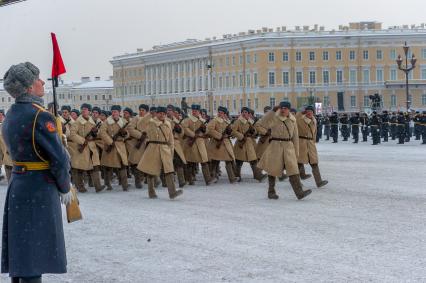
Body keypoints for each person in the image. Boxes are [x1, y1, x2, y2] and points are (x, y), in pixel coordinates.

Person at [2, 62, 72, 283]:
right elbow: (59, 160)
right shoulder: (40, 116)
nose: (43, 82)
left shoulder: (12, 113)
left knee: (23, 252)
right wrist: (65, 186)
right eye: (38, 78)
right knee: (35, 254)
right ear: (29, 88)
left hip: (19, 184)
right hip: (39, 187)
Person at [257, 101, 312, 200]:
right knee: (272, 170)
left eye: (285, 108)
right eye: (281, 108)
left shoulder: (293, 119)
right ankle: (271, 192)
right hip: (275, 146)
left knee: (293, 170)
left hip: (288, 147)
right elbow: (262, 123)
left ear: (289, 110)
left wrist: (296, 152)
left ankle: (299, 193)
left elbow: (295, 137)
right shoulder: (274, 117)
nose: (283, 110)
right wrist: (272, 111)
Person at [138, 106, 183, 199]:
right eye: (160, 113)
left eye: (164, 114)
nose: (162, 115)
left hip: (165, 148)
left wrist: (171, 150)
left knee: (169, 170)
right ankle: (151, 192)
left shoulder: (168, 123)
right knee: (151, 171)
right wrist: (149, 114)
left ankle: (172, 192)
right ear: (157, 113)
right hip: (153, 148)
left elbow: (171, 139)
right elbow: (140, 125)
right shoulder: (151, 122)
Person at [68, 103, 104, 193]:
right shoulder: (77, 122)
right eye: (82, 109)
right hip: (82, 147)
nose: (84, 110)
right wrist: (82, 141)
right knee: (79, 168)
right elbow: (72, 134)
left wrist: (96, 132)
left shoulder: (92, 122)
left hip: (91, 146)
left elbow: (98, 134)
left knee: (95, 166)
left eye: (86, 109)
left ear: (89, 111)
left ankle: (98, 186)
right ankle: (80, 187)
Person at [99, 105, 130, 191]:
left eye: (115, 111)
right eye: (112, 111)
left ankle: (125, 184)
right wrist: (110, 142)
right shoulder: (106, 122)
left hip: (120, 145)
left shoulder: (123, 122)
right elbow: (102, 133)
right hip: (110, 145)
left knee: (123, 165)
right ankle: (107, 184)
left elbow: (128, 134)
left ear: (119, 112)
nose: (114, 113)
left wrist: (124, 133)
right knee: (108, 166)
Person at [296, 106, 328, 188]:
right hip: (302, 143)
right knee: (299, 163)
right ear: (305, 112)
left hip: (310, 144)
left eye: (311, 111)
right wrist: (301, 112)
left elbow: (314, 132)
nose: (309, 112)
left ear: (313, 112)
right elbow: (296, 117)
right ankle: (296, 182)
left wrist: (313, 142)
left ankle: (319, 182)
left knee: (314, 163)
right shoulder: (300, 119)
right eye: (307, 111)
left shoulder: (314, 120)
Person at [232, 107, 265, 182]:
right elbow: (233, 131)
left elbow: (255, 131)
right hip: (241, 143)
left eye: (246, 112)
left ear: (248, 114)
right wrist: (241, 136)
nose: (244, 114)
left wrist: (254, 131)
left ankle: (257, 175)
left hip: (250, 143)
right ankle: (237, 176)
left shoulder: (250, 122)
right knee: (239, 161)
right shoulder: (238, 121)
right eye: (243, 112)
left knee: (253, 160)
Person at [181, 104, 211, 185]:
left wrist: (205, 130)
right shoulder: (187, 120)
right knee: (190, 162)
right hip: (191, 143)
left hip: (200, 142)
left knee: (204, 161)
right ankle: (189, 179)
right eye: (193, 111)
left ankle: (208, 179)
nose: (194, 112)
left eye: (196, 111)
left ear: (199, 112)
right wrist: (193, 134)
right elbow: (184, 128)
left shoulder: (202, 121)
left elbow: (207, 131)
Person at [206, 106, 237, 183]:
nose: (220, 114)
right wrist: (219, 135)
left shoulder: (226, 121)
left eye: (222, 113)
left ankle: (232, 178)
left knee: (229, 160)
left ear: (224, 114)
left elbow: (231, 131)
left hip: (226, 143)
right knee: (214, 161)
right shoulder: (214, 121)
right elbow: (209, 129)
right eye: (219, 112)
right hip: (216, 143)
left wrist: (231, 133)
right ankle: (213, 176)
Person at [126, 104, 151, 189]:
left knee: (148, 162)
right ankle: (138, 180)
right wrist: (140, 136)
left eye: (143, 110)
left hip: (148, 142)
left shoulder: (150, 119)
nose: (141, 111)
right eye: (140, 110)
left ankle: (150, 180)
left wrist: (148, 136)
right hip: (138, 142)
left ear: (147, 111)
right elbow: (130, 128)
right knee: (136, 162)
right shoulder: (136, 118)